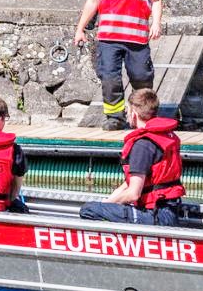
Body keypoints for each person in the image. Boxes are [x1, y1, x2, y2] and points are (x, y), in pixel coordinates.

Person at [73, 0, 163, 131]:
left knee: (142, 77)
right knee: (110, 77)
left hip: (137, 38)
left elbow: (155, 1)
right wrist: (80, 29)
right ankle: (115, 117)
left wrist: (156, 23)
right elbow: (94, 0)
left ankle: (143, 115)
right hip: (109, 37)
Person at [79, 88, 185, 226]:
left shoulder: (142, 145)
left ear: (133, 113)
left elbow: (133, 194)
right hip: (169, 210)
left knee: (88, 209)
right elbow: (130, 183)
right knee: (101, 206)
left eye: (127, 110)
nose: (126, 114)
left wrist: (105, 205)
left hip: (156, 216)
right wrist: (107, 202)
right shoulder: (164, 135)